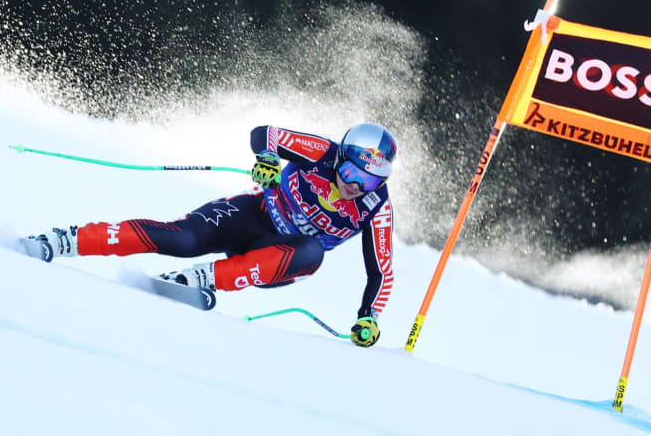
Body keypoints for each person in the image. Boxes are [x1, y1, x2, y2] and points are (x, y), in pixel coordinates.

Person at [25, 123, 397, 348]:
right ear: (341, 158)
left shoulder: (376, 207)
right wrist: (267, 159)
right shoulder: (322, 152)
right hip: (251, 214)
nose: (355, 186)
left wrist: (369, 317)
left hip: (278, 257)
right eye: (351, 172)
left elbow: (381, 271)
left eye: (370, 181)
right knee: (181, 240)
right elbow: (265, 134)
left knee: (313, 251)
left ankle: (201, 280)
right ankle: (66, 240)